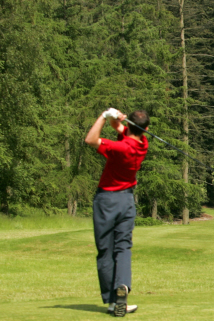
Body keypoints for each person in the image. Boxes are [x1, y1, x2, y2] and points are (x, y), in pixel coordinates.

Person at [84, 108, 149, 317]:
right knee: (123, 248)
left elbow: (90, 139)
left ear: (130, 125)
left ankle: (112, 300)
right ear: (145, 129)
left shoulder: (119, 148)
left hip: (107, 201)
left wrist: (104, 116)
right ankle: (122, 288)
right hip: (127, 201)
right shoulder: (142, 144)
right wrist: (115, 119)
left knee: (105, 250)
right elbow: (118, 128)